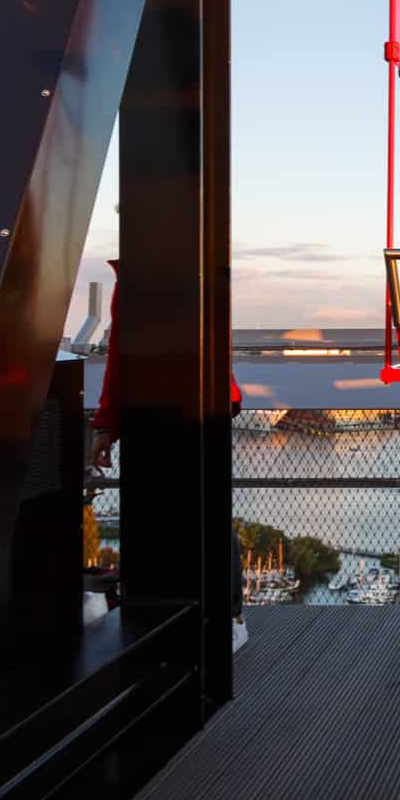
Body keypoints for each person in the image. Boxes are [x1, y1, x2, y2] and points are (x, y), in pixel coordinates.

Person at [91, 257, 250, 649]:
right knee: (169, 516)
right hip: (166, 413)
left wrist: (107, 424)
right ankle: (194, 615)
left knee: (195, 515)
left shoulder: (173, 267)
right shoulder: (176, 267)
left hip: (178, 411)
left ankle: (224, 617)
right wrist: (105, 425)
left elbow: (120, 356)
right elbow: (120, 356)